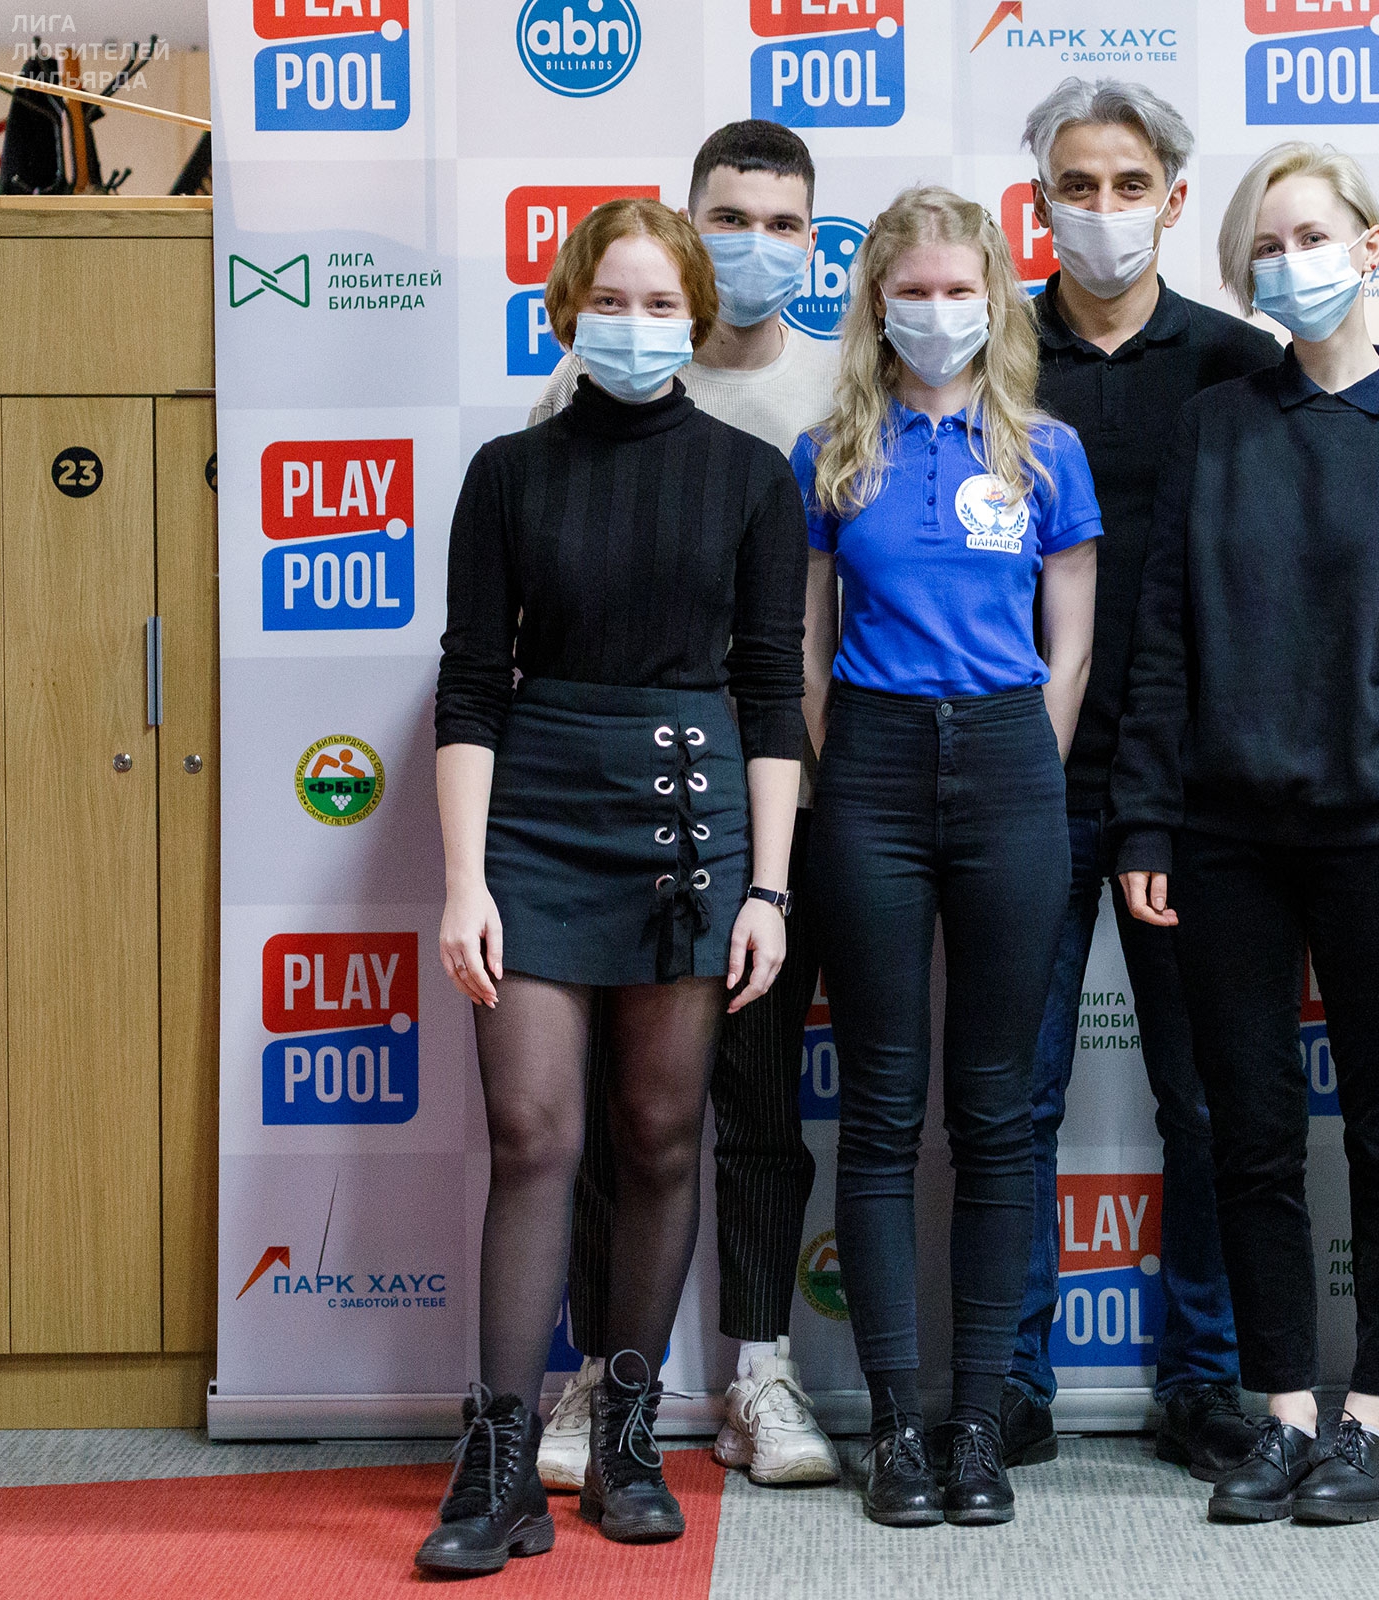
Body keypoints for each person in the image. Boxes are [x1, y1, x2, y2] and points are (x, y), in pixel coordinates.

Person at [1111, 143, 1379, 1527]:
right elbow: (1163, 638)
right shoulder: (1215, 429)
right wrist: (1147, 816)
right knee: (1249, 1134)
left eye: (1313, 234)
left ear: (1371, 243)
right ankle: (1286, 1412)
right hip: (1223, 836)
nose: (1292, 262)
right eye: (1267, 246)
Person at [419, 197, 807, 1574]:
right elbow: (472, 685)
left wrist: (769, 890)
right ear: (565, 311)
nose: (635, 327)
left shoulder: (754, 478)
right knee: (534, 1136)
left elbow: (773, 695)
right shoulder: (507, 474)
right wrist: (463, 881)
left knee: (657, 1136)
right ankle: (499, 1458)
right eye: (611, 302)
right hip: (531, 823)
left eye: (660, 305)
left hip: (688, 826)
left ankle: (630, 1440)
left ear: (694, 321)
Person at [527, 119, 842, 1495]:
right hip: (610, 812)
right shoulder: (580, 383)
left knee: (759, 1101)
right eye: (729, 217)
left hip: (781, 801)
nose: (754, 244)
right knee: (622, 1115)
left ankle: (760, 1369)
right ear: (689, 222)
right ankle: (607, 1376)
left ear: (814, 240)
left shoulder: (842, 386)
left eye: (782, 223)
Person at [795, 185, 1101, 1528]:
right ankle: (897, 1431)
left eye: (956, 289)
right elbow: (808, 644)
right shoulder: (829, 452)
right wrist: (851, 755)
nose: (934, 311)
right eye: (909, 291)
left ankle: (977, 1422)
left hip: (1010, 767)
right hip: (867, 767)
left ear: (994, 299)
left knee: (995, 1115)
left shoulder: (1047, 450)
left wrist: (1020, 756)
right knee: (878, 1112)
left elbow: (1070, 643)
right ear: (877, 304)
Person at [997, 77, 1282, 1478]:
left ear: (1172, 199)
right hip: (1023, 778)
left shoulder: (1242, 363)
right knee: (1013, 1096)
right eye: (1075, 185)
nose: (1100, 210)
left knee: (1212, 1099)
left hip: (1195, 792)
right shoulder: (987, 350)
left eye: (1127, 186)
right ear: (1037, 199)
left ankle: (1207, 1380)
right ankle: (1007, 1376)